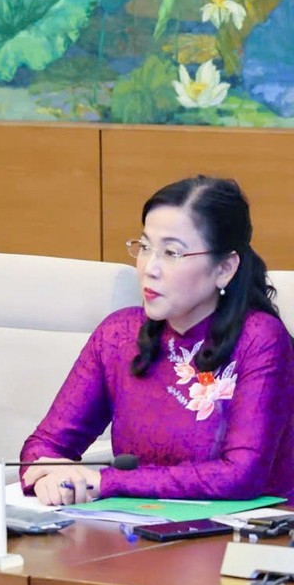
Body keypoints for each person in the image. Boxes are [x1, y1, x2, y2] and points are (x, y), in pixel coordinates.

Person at [21, 176, 294, 504]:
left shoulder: (260, 340)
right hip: (130, 527)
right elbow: (44, 446)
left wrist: (107, 482)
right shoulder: (119, 335)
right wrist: (49, 476)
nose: (149, 268)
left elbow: (241, 475)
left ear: (224, 268)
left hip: (247, 530)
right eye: (145, 247)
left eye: (171, 253)